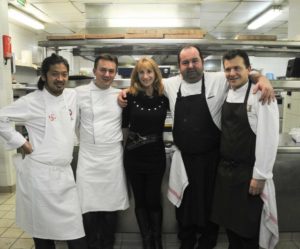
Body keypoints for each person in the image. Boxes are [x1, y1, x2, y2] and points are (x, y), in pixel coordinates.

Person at [118, 44, 274, 249]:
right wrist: (123, 92)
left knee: (211, 206)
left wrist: (261, 78)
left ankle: (207, 243)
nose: (190, 66)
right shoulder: (171, 84)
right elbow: (145, 80)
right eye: (185, 62)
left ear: (202, 62)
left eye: (195, 61)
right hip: (184, 159)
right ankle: (187, 241)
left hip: (212, 160)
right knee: (185, 207)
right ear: (179, 66)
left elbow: (241, 71)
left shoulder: (219, 79)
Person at [0, 54, 87, 249]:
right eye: (55, 74)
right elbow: (1, 118)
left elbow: (95, 92)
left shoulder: (71, 96)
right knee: (43, 234)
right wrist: (21, 142)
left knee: (75, 231)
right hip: (40, 177)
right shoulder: (31, 101)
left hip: (64, 174)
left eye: (64, 74)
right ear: (44, 76)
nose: (60, 79)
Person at [211, 50, 279, 249]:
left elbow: (269, 138)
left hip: (248, 175)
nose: (232, 73)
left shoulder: (261, 94)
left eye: (237, 68)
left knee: (248, 232)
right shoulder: (227, 90)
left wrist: (260, 175)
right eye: (228, 69)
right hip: (225, 173)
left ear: (248, 69)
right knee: (231, 228)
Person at [75, 54, 129, 249]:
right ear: (94, 71)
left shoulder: (120, 95)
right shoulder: (78, 93)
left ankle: (108, 243)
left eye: (111, 71)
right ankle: (92, 244)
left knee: (110, 205)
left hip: (111, 156)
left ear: (115, 73)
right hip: (88, 156)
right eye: (103, 70)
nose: (107, 74)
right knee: (87, 205)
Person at [122, 57, 169, 249]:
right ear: (136, 75)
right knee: (140, 200)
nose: (145, 76)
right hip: (133, 157)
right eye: (141, 72)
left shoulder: (164, 97)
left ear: (155, 74)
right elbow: (125, 127)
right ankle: (147, 241)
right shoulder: (129, 97)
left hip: (156, 156)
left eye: (149, 71)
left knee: (153, 199)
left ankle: (157, 240)